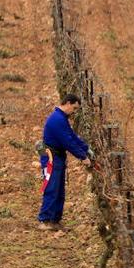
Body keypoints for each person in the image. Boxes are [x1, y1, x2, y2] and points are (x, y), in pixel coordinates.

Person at [38, 93, 95, 230]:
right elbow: (68, 142)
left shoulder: (61, 118)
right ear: (68, 103)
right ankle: (45, 220)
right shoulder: (57, 120)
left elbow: (72, 137)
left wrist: (86, 149)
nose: (74, 112)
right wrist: (83, 157)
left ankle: (55, 220)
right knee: (52, 187)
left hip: (58, 157)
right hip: (52, 157)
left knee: (59, 189)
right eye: (74, 108)